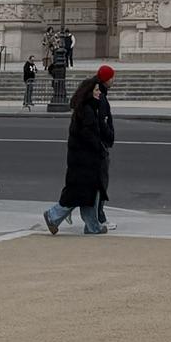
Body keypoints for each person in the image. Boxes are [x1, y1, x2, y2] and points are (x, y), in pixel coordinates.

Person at [43, 68, 116, 235]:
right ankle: (53, 215)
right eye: (96, 90)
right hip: (84, 160)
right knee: (80, 193)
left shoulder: (88, 108)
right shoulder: (87, 111)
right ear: (89, 92)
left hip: (84, 160)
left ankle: (92, 226)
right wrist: (100, 149)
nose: (99, 93)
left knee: (88, 193)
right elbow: (90, 136)